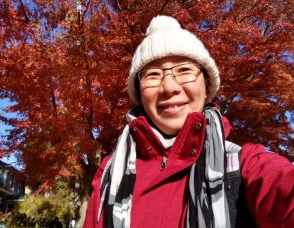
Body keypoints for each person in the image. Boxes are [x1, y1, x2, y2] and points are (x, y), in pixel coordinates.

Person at [83, 15, 294, 228]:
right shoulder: (110, 172)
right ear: (140, 94)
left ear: (206, 86)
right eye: (153, 74)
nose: (169, 87)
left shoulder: (244, 164)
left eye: (184, 70)